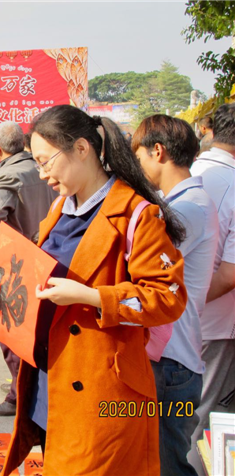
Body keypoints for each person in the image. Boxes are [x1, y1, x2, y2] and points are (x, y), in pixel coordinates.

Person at [0, 105, 187, 476]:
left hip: (101, 389)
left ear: (81, 148)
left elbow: (168, 298)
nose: (42, 173)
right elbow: (42, 268)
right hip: (50, 381)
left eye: (45, 161)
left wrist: (91, 296)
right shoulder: (60, 208)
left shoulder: (136, 215)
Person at [133, 115, 219, 476]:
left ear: (158, 151)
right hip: (171, 356)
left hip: (171, 361)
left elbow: (139, 263)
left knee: (166, 464)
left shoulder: (188, 208)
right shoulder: (183, 202)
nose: (137, 165)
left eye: (138, 157)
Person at [0, 121, 57, 417]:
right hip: (47, 254)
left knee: (12, 329)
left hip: (17, 260)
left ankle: (17, 394)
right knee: (37, 328)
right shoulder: (41, 168)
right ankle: (26, 386)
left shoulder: (9, 174)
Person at [188, 103, 235, 473]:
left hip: (176, 319)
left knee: (183, 411)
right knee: (206, 419)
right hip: (216, 323)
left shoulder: (187, 174)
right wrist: (192, 302)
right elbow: (229, 274)